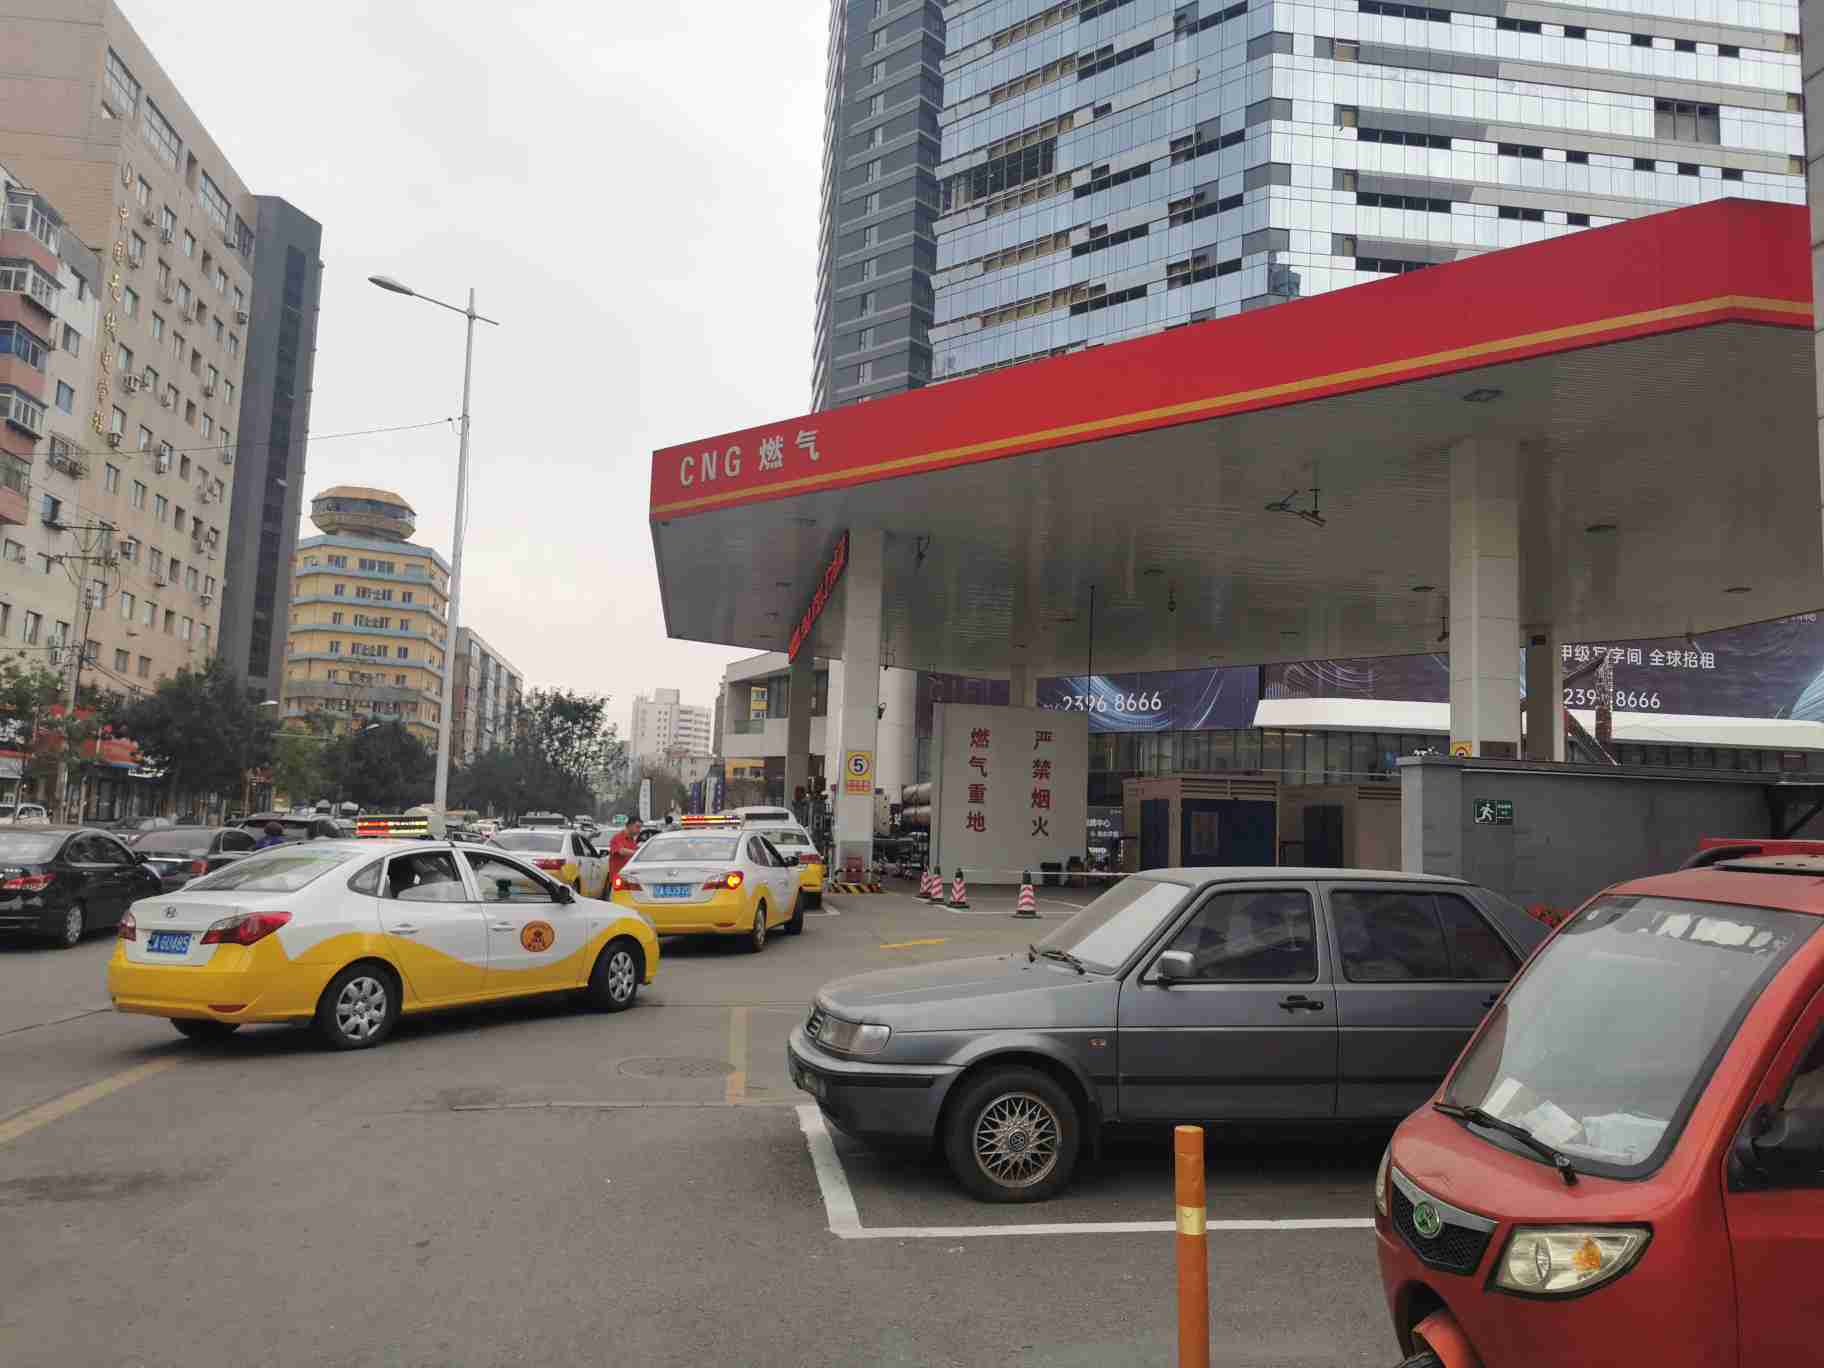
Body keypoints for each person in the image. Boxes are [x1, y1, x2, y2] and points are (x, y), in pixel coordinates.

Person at [607, 817, 642, 884]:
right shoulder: (617, 837)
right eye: (637, 827)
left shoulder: (632, 840)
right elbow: (622, 851)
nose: (639, 830)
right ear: (629, 826)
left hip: (629, 878)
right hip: (618, 878)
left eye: (640, 828)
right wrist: (639, 853)